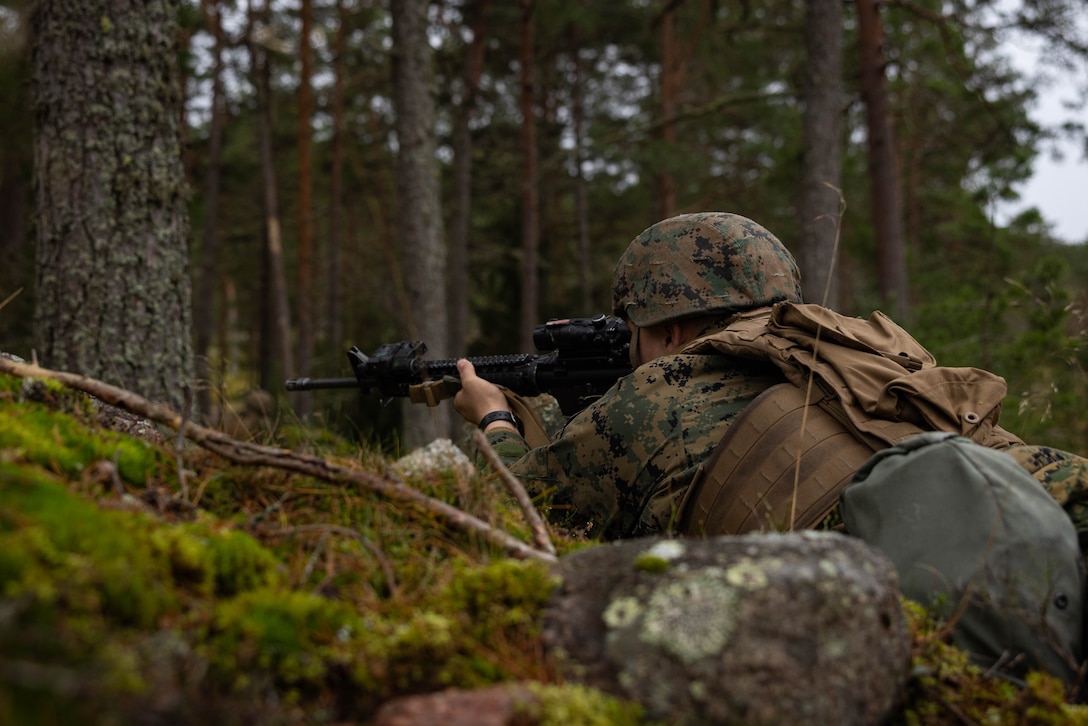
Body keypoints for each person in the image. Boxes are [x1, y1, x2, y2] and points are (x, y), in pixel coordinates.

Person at [453, 211, 803, 539]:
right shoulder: (821, 358)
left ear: (669, 333)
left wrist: (494, 418)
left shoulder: (655, 403)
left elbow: (508, 510)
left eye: (632, 331)